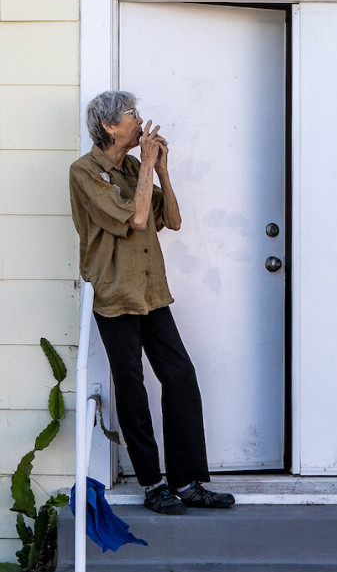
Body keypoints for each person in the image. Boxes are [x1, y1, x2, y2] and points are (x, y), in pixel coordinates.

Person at [69, 90, 234, 515]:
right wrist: (145, 169)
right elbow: (137, 219)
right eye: (131, 114)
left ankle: (187, 480)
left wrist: (160, 169)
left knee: (180, 376)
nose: (140, 120)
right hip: (115, 294)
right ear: (109, 125)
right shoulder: (85, 172)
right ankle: (152, 483)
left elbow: (172, 220)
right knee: (133, 388)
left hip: (151, 291)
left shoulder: (133, 167)